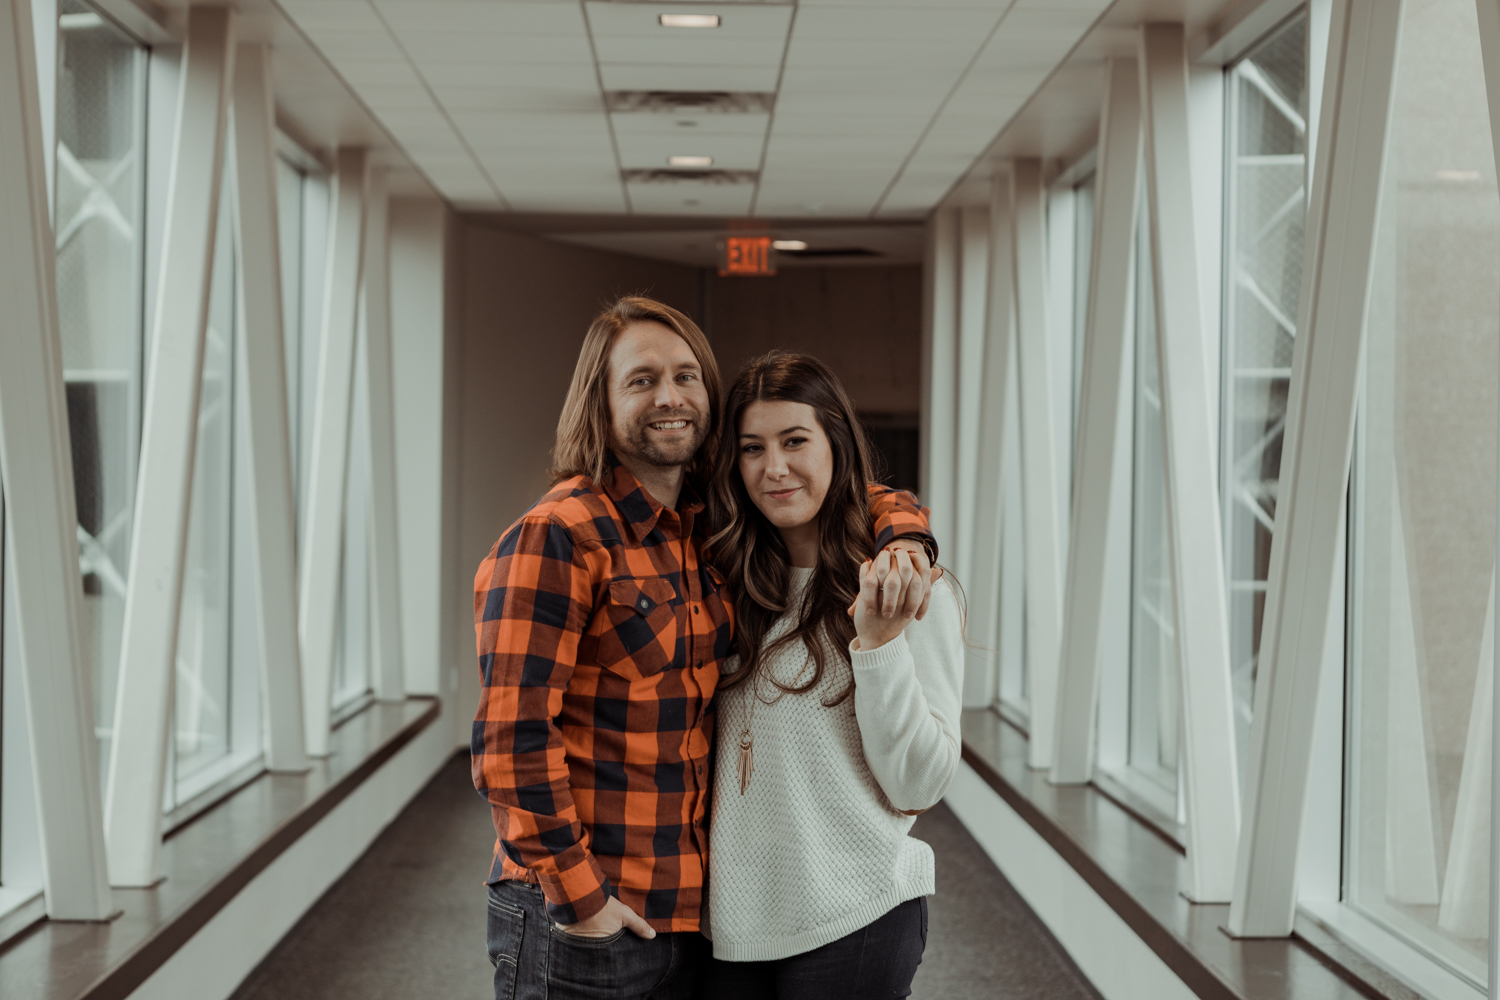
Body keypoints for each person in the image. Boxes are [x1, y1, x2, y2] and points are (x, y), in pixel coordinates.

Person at [471, 297, 938, 1000]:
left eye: (687, 376)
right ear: (598, 399)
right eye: (642, 380)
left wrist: (903, 534)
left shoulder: (704, 525)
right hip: (585, 916)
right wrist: (584, 903)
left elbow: (839, 483)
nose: (671, 397)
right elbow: (511, 745)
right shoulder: (559, 535)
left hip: (691, 921)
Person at [703, 352, 965, 1000]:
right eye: (752, 448)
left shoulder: (905, 588)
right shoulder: (724, 581)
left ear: (836, 445)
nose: (775, 468)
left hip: (857, 914)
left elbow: (919, 782)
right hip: (730, 927)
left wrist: (876, 646)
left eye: (795, 441)